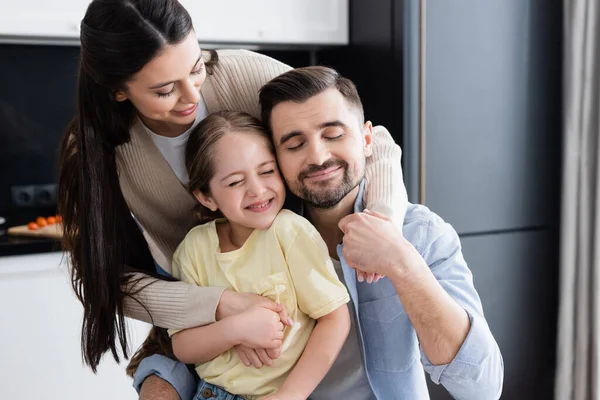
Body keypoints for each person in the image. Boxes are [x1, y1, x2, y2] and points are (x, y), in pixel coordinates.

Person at [57, 0, 407, 398]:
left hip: (289, 292)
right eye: (165, 89)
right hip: (195, 300)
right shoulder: (94, 150)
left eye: (195, 68)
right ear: (119, 90)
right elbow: (105, 280)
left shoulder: (244, 74)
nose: (191, 95)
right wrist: (219, 306)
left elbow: (368, 137)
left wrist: (384, 222)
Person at [133, 66, 505, 399]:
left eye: (333, 134)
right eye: (294, 145)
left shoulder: (421, 234)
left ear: (366, 139)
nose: (317, 157)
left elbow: (481, 387)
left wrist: (401, 261)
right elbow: (176, 346)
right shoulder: (253, 228)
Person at [167, 110, 350, 400]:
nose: (257, 190)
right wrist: (236, 330)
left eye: (267, 172)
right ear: (206, 197)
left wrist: (291, 395)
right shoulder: (194, 248)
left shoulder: (289, 232)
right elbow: (183, 346)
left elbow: (335, 319)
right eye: (235, 182)